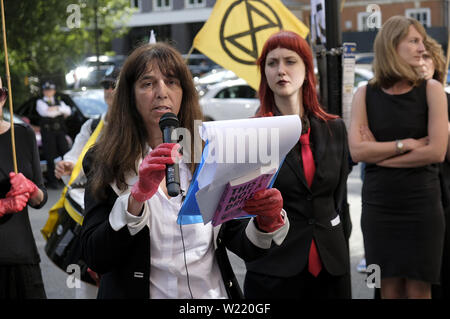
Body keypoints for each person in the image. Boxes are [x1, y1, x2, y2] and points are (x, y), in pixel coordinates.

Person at [80, 42, 289, 299]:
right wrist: (136, 198)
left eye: (171, 82)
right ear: (129, 96)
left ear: (185, 92)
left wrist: (266, 221)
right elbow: (96, 256)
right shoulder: (104, 159)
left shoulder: (210, 151)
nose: (161, 92)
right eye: (147, 83)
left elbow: (241, 242)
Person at [222, 30, 352, 299]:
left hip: (332, 269)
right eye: (272, 63)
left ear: (307, 69)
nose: (281, 70)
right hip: (275, 273)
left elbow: (338, 202)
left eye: (290, 61)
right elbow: (235, 218)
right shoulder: (251, 136)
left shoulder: (334, 128)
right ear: (264, 73)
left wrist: (338, 245)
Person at [349, 16, 448, 299]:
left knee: (419, 289)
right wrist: (406, 145)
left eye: (422, 41)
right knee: (383, 286)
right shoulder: (364, 93)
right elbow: (357, 151)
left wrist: (379, 156)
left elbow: (436, 152)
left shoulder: (432, 90)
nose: (422, 47)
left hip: (423, 207)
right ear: (392, 46)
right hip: (378, 209)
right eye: (414, 41)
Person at [0, 76, 48, 298]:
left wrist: (30, 188)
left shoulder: (23, 134)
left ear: (4, 98)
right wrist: (3, 206)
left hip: (23, 257)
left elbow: (41, 198)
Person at [419, 37, 450, 299]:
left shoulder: (447, 100)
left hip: (444, 199)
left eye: (428, 57)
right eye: (418, 55)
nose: (422, 62)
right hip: (406, 200)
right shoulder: (394, 102)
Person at [54, 66, 119, 180]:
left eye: (114, 85)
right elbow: (75, 156)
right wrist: (69, 165)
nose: (109, 90)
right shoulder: (91, 126)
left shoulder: (137, 126)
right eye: (105, 86)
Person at [36, 81, 72, 189]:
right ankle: (53, 181)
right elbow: (46, 113)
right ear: (43, 91)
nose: (48, 92)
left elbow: (68, 111)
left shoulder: (58, 101)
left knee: (65, 153)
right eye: (46, 90)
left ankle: (68, 177)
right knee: (50, 157)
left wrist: (56, 109)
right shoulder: (40, 102)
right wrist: (59, 111)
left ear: (54, 91)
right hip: (48, 133)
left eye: (50, 90)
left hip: (60, 132)